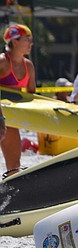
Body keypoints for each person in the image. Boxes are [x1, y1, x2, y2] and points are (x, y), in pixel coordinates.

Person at [0, 24, 36, 176]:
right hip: (1, 115)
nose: (31, 43)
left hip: (10, 118)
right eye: (27, 39)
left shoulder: (28, 65)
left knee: (14, 167)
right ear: (14, 41)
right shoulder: (2, 62)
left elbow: (33, 98)